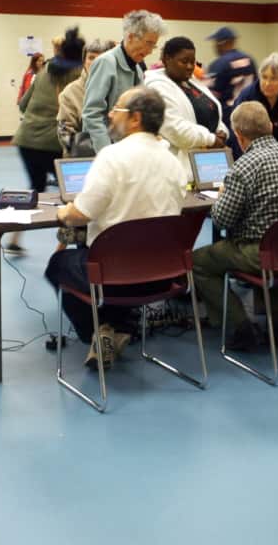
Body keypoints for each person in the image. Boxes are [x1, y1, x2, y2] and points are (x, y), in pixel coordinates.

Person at [45, 87, 187, 370]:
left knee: (59, 264)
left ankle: (98, 332)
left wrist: (63, 212)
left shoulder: (112, 157)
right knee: (108, 259)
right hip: (160, 274)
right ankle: (120, 327)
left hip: (112, 274)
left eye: (117, 109)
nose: (110, 113)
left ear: (135, 118)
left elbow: (81, 213)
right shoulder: (173, 162)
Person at [191, 102, 278, 350]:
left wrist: (223, 194)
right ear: (270, 126)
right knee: (272, 239)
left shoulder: (243, 167)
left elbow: (222, 220)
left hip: (261, 254)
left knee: (197, 261)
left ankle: (240, 327)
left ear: (239, 135)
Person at [6, 29, 84, 256]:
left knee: (35, 189)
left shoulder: (44, 70)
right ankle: (64, 248)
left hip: (27, 138)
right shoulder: (80, 75)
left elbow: (22, 104)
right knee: (71, 194)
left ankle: (14, 238)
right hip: (56, 142)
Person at [144, 36, 229, 180]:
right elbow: (175, 130)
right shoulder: (156, 87)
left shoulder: (192, 83)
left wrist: (222, 132)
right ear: (166, 59)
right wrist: (211, 140)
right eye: (184, 61)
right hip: (178, 169)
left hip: (209, 163)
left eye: (193, 62)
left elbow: (214, 113)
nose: (190, 67)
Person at [79, 10, 162, 153]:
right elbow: (91, 114)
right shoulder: (106, 62)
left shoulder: (138, 69)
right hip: (103, 151)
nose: (150, 51)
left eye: (153, 46)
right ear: (130, 37)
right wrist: (106, 152)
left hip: (126, 150)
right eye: (148, 43)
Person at [57, 38, 116, 155]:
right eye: (91, 58)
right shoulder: (70, 93)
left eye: (101, 58)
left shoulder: (119, 87)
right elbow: (65, 135)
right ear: (83, 61)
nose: (95, 62)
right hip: (84, 160)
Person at [204, 26, 255, 115]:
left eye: (216, 43)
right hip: (249, 112)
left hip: (228, 114)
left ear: (222, 43)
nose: (214, 46)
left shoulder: (219, 64)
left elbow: (208, 96)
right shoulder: (249, 60)